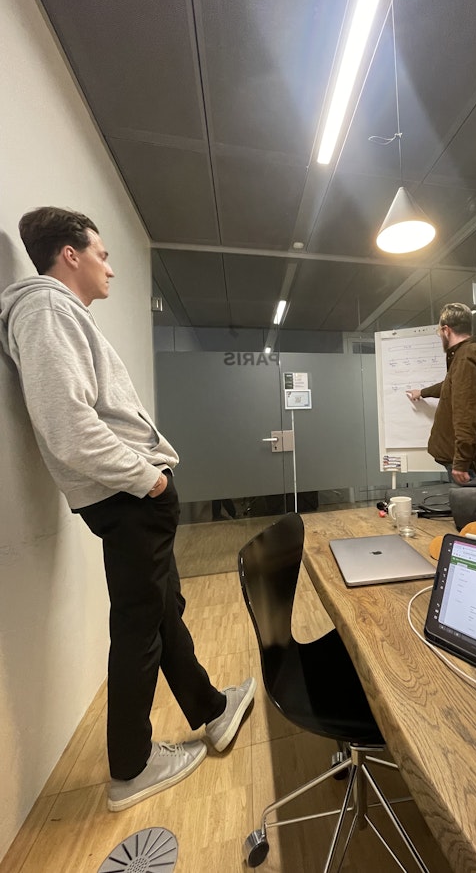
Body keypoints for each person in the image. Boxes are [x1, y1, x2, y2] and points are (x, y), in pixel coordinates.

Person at [0, 207, 256, 812]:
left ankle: (212, 710)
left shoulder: (57, 313)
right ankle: (131, 767)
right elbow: (68, 426)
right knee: (140, 626)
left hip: (130, 496)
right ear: (70, 254)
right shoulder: (45, 309)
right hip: (129, 495)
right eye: (103, 253)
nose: (109, 267)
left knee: (161, 611)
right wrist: (150, 481)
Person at [407, 302, 476, 484]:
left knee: (468, 503)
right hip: (466, 462)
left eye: (440, 332)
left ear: (446, 330)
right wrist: (422, 392)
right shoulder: (466, 355)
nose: (440, 335)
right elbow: (451, 386)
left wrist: (461, 462)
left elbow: (467, 415)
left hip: (467, 466)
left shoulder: (466, 359)